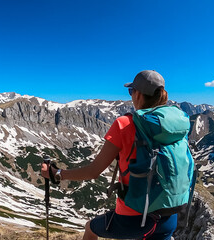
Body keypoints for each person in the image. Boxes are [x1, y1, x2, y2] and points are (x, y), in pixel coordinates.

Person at [41, 70, 178, 240]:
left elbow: (93, 171)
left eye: (131, 91)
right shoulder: (174, 126)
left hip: (134, 218)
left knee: (90, 228)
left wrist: (56, 174)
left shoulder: (125, 123)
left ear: (139, 95)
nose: (131, 96)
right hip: (169, 215)